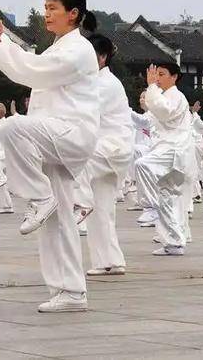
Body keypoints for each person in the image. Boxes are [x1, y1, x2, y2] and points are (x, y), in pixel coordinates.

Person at [0, 0, 100, 312]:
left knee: (11, 127)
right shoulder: (58, 48)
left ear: (73, 14)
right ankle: (70, 291)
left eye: (53, 8)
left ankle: (39, 196)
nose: (47, 14)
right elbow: (34, 66)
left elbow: (34, 72)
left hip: (70, 133)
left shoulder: (78, 50)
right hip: (53, 136)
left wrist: (2, 44)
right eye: (45, 8)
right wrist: (4, 44)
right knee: (58, 220)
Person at [78, 34, 133, 276]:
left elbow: (83, 113)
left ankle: (77, 202)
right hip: (106, 148)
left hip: (111, 148)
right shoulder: (96, 82)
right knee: (102, 208)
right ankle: (110, 261)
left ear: (102, 57)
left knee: (74, 159)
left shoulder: (105, 84)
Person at [135, 63, 195, 256]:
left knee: (142, 164)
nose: (157, 78)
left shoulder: (177, 96)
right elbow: (148, 120)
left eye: (162, 74)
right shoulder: (163, 97)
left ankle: (149, 206)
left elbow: (164, 112)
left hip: (174, 150)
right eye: (156, 74)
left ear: (174, 77)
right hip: (166, 150)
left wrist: (151, 87)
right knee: (166, 197)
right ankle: (174, 242)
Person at [0, 103, 14, 214]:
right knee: (0, 180)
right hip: (1, 155)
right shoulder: (0, 124)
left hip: (1, 155)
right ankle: (6, 205)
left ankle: (6, 205)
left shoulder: (2, 125)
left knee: (0, 180)